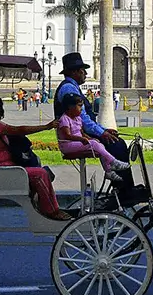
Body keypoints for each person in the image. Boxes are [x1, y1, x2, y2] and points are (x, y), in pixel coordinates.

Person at [0, 95, 69, 220]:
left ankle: (43, 205)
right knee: (41, 174)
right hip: (2, 170)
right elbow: (21, 130)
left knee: (41, 171)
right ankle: (52, 210)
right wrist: (46, 126)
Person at [54, 52, 137, 194]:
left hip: (79, 133)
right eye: (82, 71)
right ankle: (125, 191)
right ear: (74, 72)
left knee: (116, 141)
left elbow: (85, 118)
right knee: (116, 144)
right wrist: (102, 133)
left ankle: (122, 186)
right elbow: (83, 119)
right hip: (75, 136)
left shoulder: (71, 87)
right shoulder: (69, 89)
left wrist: (104, 130)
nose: (86, 74)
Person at [57, 94, 131, 182]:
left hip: (78, 142)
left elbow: (82, 133)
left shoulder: (78, 118)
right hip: (67, 145)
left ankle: (108, 170)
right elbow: (67, 135)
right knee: (94, 144)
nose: (81, 109)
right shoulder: (64, 119)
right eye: (79, 106)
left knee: (99, 144)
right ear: (70, 107)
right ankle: (113, 162)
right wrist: (82, 140)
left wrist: (89, 138)